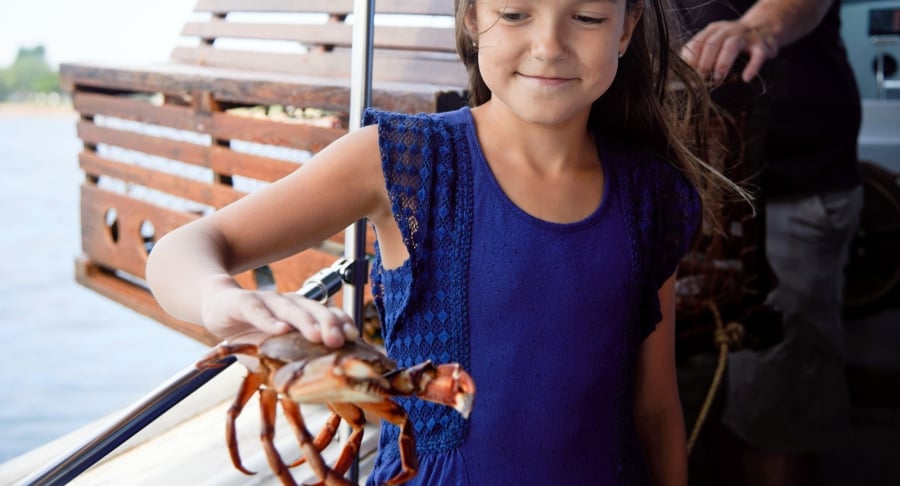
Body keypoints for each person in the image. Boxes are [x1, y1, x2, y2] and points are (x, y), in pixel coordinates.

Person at [146, 0, 739, 484]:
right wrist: (218, 299)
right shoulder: (403, 161)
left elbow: (655, 404)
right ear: (471, 16)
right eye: (514, 14)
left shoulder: (653, 195)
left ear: (627, 27)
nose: (549, 44)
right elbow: (189, 247)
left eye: (585, 17)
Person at [673, 1, 864, 485]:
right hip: (682, 188)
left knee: (776, 414)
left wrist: (757, 27)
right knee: (682, 398)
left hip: (792, 181)